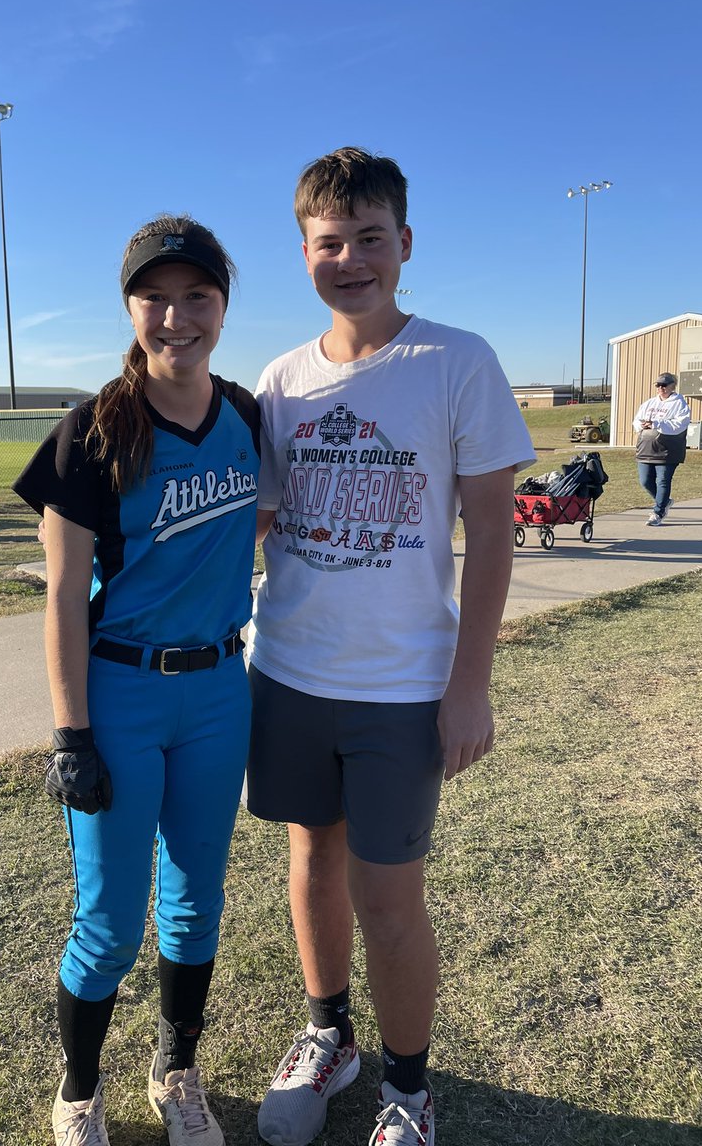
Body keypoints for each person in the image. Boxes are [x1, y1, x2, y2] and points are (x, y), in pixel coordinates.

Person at [245, 148, 534, 1146]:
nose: (352, 260)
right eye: (330, 243)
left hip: (403, 687)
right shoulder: (281, 380)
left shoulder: (458, 361)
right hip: (288, 673)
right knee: (311, 861)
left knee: (389, 894)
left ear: (405, 243)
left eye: (371, 238)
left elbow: (492, 532)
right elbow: (260, 520)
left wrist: (470, 686)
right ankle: (329, 1038)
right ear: (304, 253)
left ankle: (409, 1092)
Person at [13, 215, 260, 1146]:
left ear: (223, 307)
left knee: (196, 906)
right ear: (129, 307)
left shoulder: (247, 414)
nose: (176, 316)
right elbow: (63, 594)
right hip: (121, 692)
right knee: (111, 921)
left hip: (219, 689)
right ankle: (79, 1092)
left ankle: (175, 1073)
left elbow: (256, 519)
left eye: (197, 295)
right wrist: (71, 734)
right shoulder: (92, 430)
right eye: (155, 297)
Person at [632, 371, 691, 525]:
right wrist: (641, 425)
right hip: (646, 449)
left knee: (663, 480)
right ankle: (665, 501)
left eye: (664, 385)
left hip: (667, 451)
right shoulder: (649, 403)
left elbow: (680, 424)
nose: (661, 388)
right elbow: (636, 420)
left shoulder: (679, 404)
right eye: (658, 385)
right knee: (645, 481)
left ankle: (658, 512)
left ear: (673, 386)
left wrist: (657, 424)